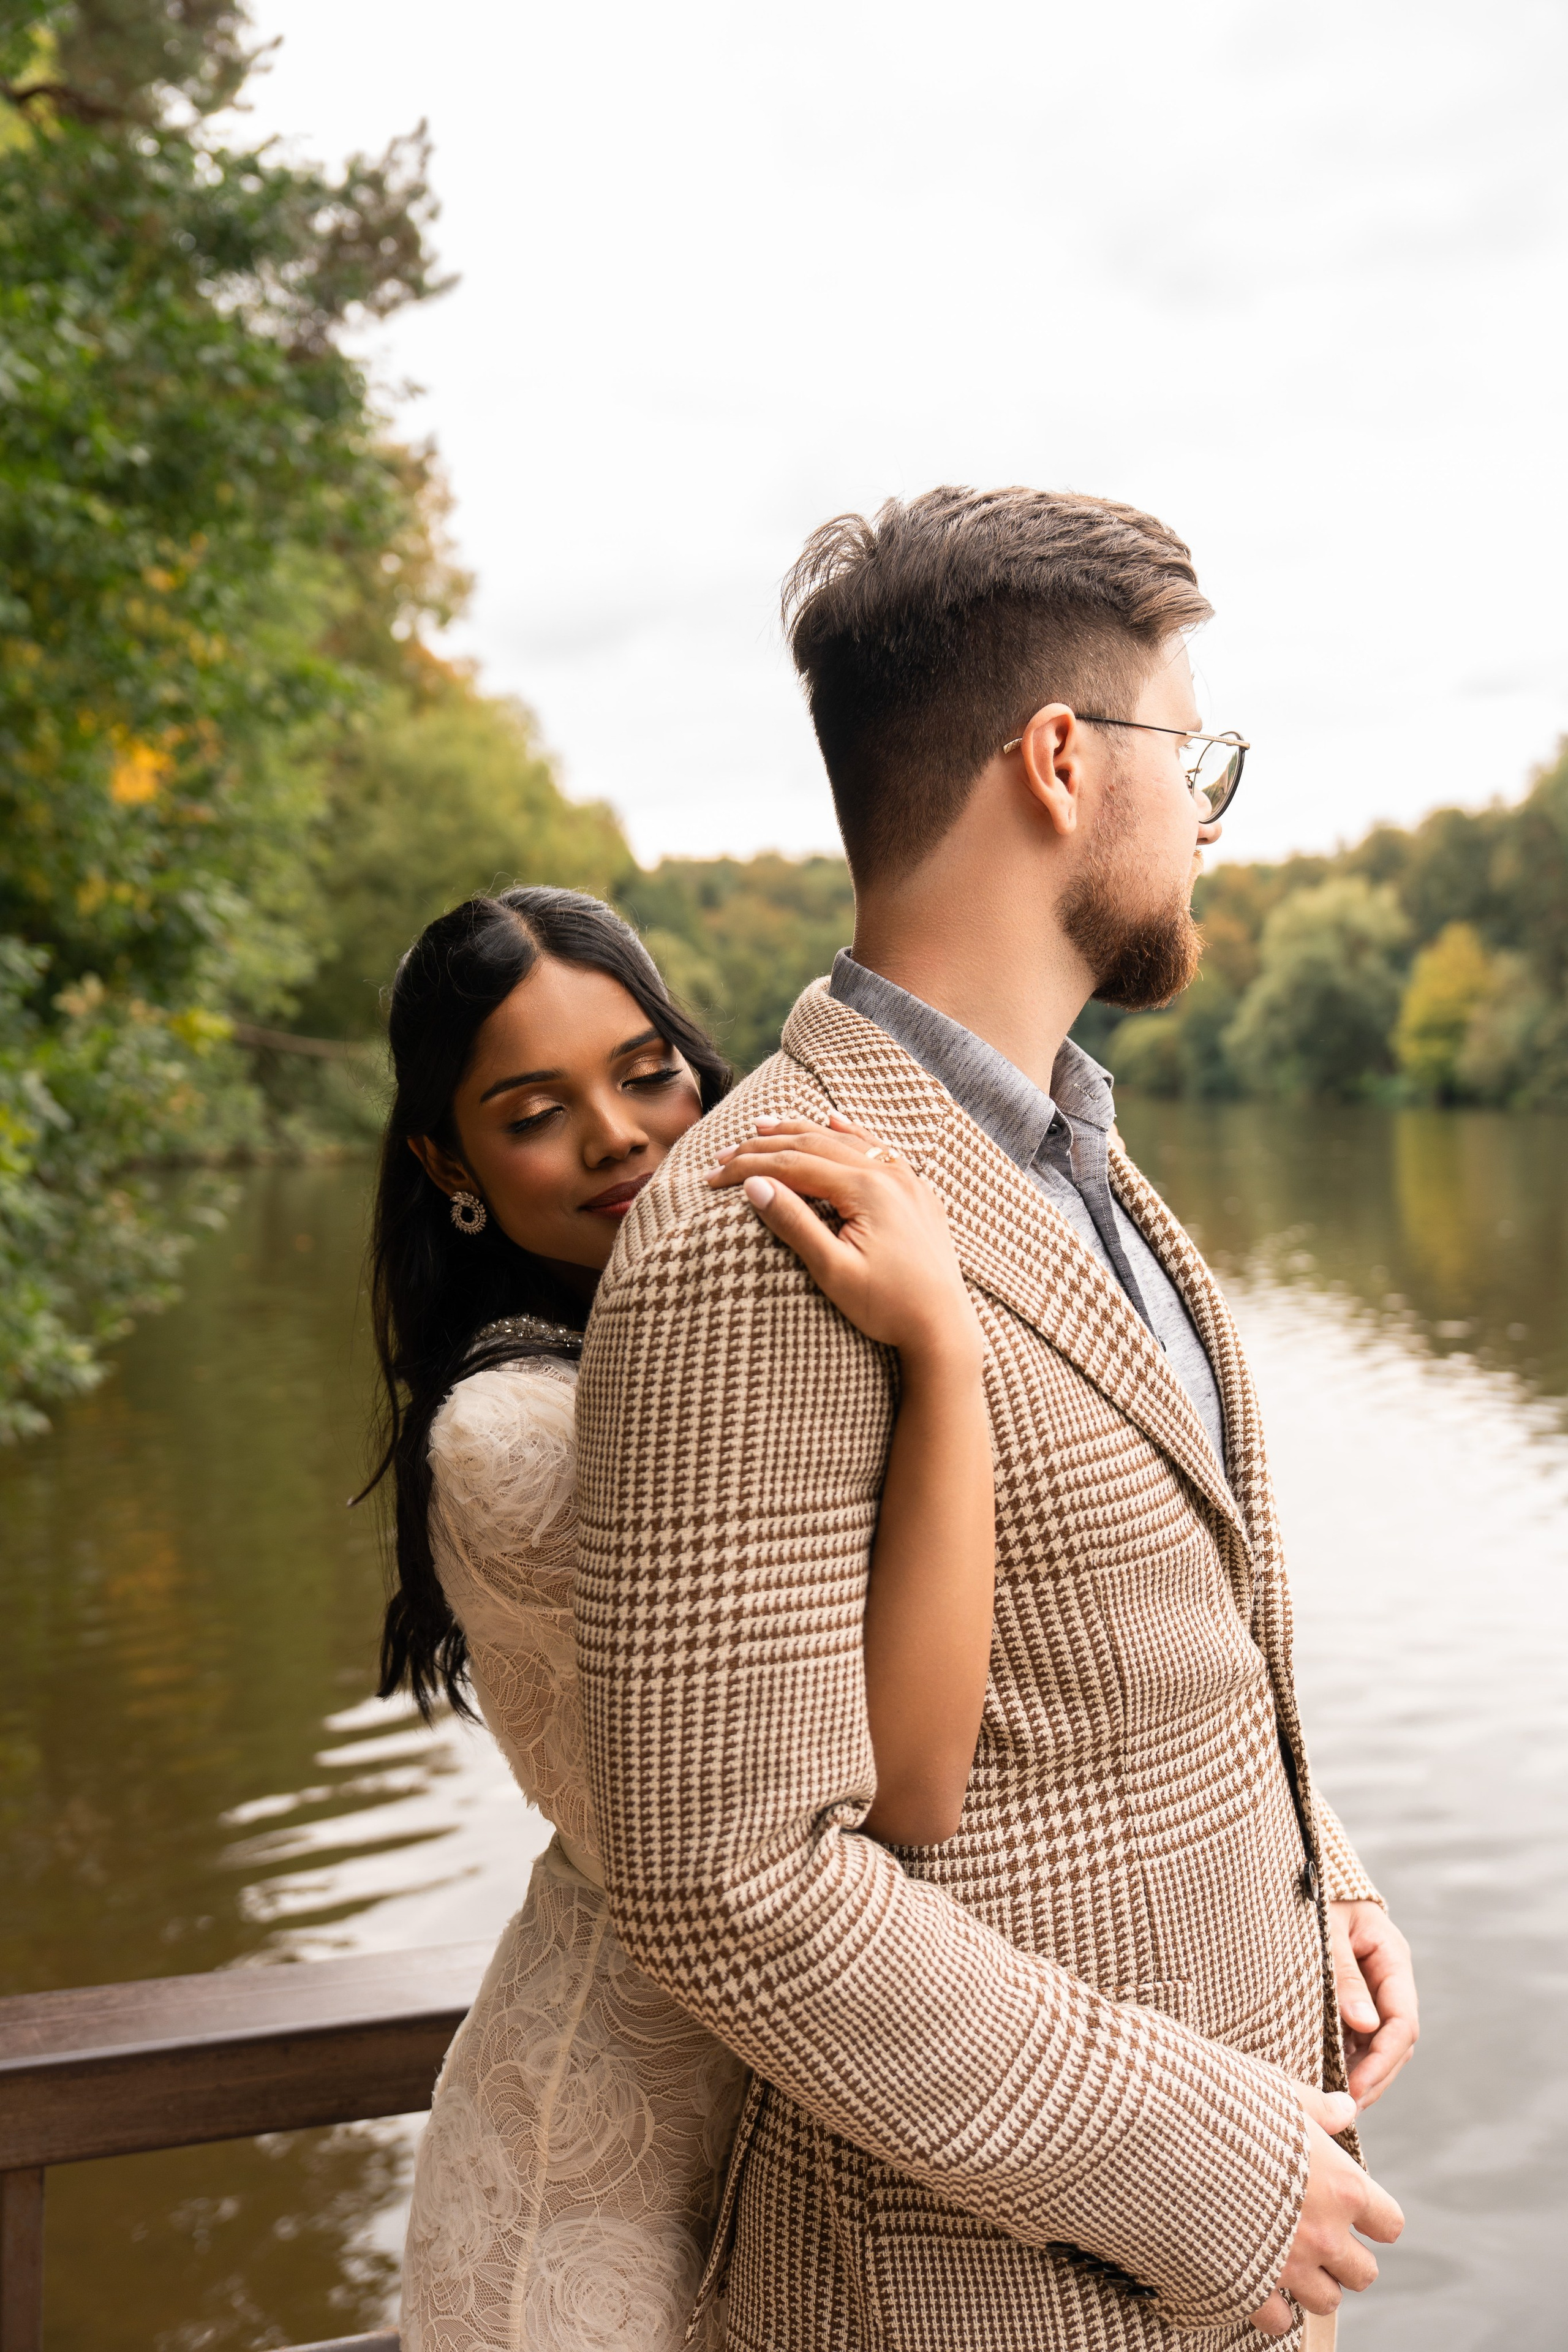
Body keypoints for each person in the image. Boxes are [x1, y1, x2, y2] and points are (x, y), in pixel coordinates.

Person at [575, 488, 1420, 2351]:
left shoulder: (1073, 1160)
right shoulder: (752, 1230)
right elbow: (729, 1883)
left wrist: (1319, 1874)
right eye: (1190, 759)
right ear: (1061, 760)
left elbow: (1135, 1644)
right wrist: (1205, 2166)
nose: (1204, 822)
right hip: (983, 2297)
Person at [365, 885, 998, 2351]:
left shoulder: (726, 1333)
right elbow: (897, 1794)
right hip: (605, 2203)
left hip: (816, 2139)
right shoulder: (517, 1434)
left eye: (646, 1072)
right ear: (444, 1159)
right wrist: (943, 1354)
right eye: (532, 1110)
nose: (618, 1137)